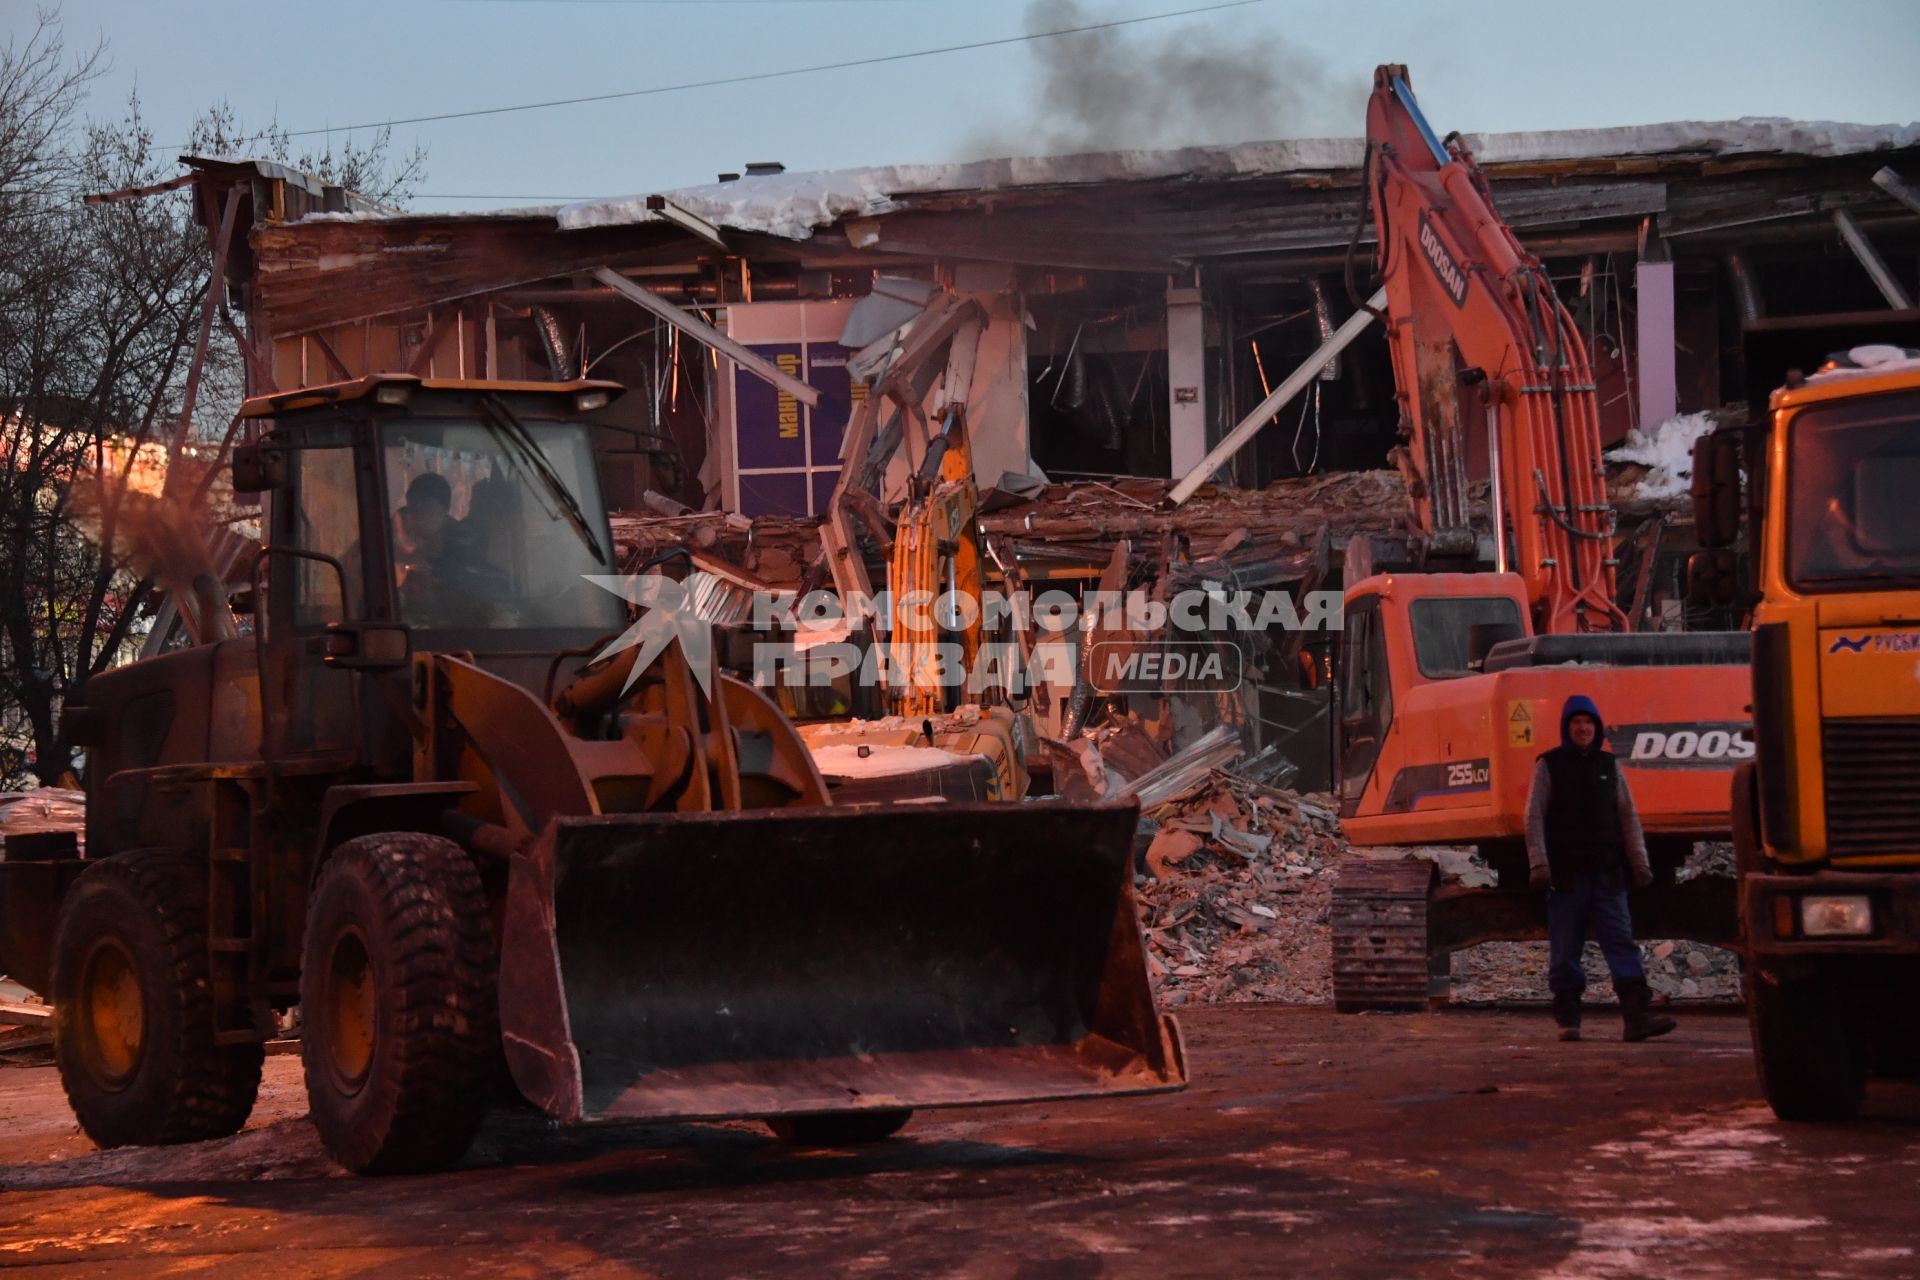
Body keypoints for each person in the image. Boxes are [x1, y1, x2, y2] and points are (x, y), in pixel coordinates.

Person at [1524, 694, 1677, 1043]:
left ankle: (1636, 1017)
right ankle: (1568, 1018)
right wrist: (1539, 863)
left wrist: (1640, 863)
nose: (1583, 728)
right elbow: (1533, 816)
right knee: (1565, 948)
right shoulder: (1549, 765)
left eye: (1589, 723)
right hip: (1567, 877)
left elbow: (1628, 817)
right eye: (1577, 723)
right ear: (1567, 728)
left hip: (1608, 874)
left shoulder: (1610, 767)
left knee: (1621, 942)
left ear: (1597, 728)